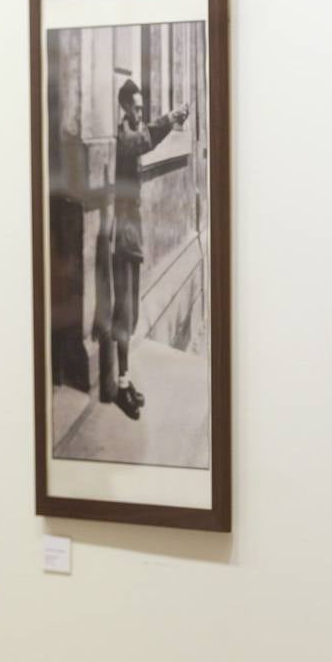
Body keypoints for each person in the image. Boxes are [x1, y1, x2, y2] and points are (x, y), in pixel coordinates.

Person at [99, 78, 189, 420]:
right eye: (136, 107)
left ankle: (124, 380)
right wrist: (169, 119)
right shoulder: (124, 138)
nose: (140, 111)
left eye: (141, 107)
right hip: (123, 235)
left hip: (131, 233)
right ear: (124, 107)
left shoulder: (132, 134)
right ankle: (120, 385)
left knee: (131, 314)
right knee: (123, 314)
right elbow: (144, 140)